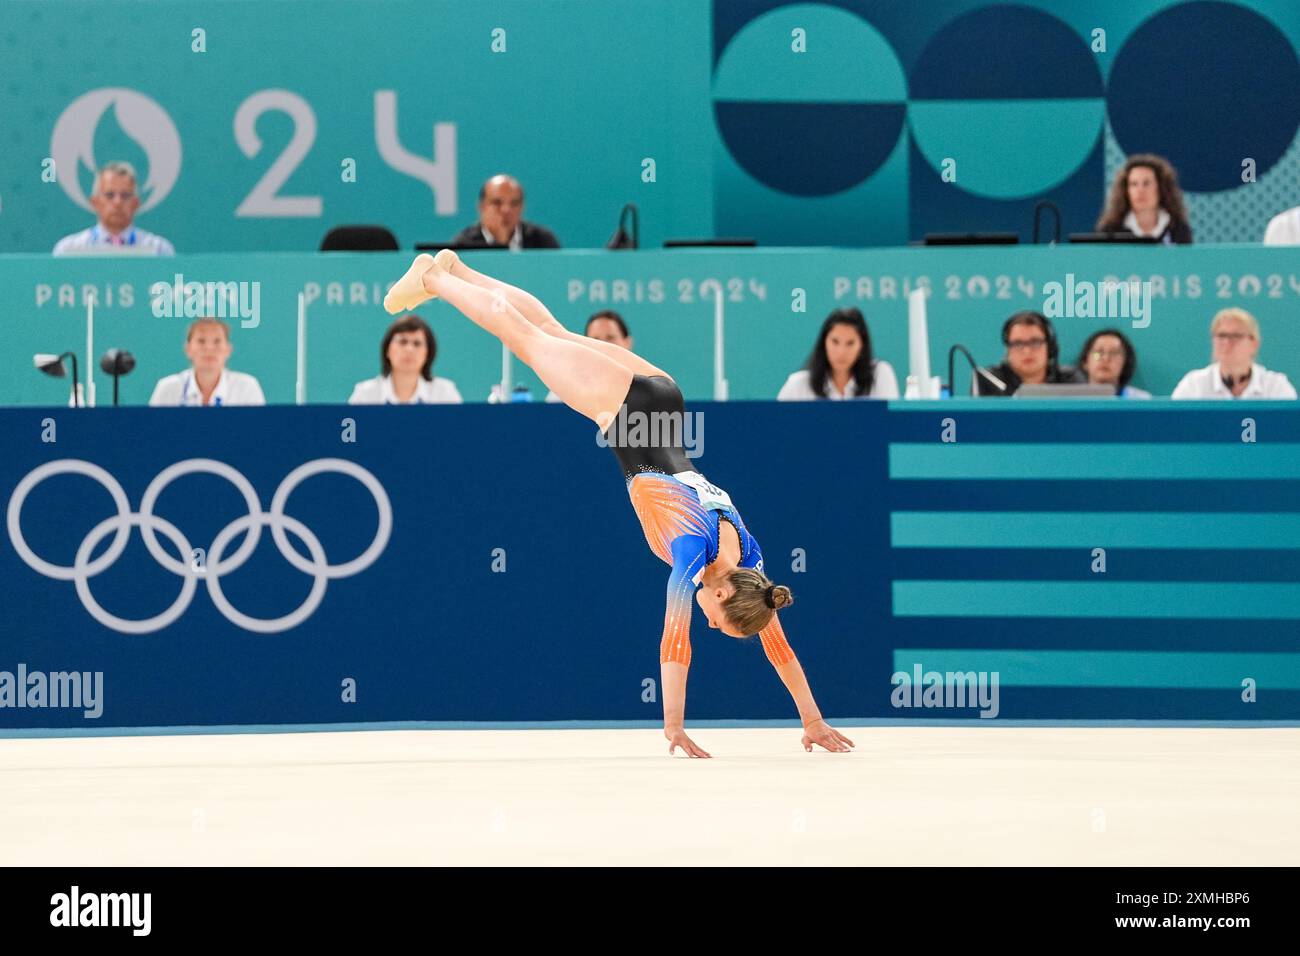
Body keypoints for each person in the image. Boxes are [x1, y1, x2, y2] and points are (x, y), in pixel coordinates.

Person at [384, 250, 854, 757]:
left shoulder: (751, 565)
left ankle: (459, 271)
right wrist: (673, 725)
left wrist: (813, 719)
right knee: (527, 338)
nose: (711, 626)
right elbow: (676, 645)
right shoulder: (692, 552)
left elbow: (775, 642)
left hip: (665, 399)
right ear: (720, 597)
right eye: (718, 623)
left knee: (549, 328)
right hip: (626, 413)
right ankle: (434, 278)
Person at [53, 161, 175, 256]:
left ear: (136, 203)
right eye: (110, 195)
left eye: (125, 195)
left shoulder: (159, 250)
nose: (117, 202)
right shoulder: (68, 250)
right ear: (95, 202)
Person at [1171, 308, 1296, 399]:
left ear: (1254, 343)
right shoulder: (1194, 385)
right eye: (1221, 335)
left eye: (1236, 336)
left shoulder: (1275, 386)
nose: (1226, 342)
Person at [777, 307, 899, 400]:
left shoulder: (880, 375)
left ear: (862, 345)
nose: (841, 352)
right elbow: (776, 427)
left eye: (850, 343)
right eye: (835, 342)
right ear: (824, 342)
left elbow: (892, 426)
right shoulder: (798, 385)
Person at [148, 318, 265, 406]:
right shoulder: (168, 388)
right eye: (201, 341)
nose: (209, 348)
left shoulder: (246, 387)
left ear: (228, 350)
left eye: (217, 341)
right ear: (187, 349)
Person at [349, 314, 463, 404]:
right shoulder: (364, 394)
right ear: (387, 350)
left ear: (428, 353)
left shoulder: (445, 393)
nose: (409, 349)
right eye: (402, 342)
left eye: (417, 343)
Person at [973, 311, 1085, 396]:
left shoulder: (1070, 380)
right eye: (1018, 344)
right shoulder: (990, 379)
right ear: (1008, 349)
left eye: (1035, 342)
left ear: (1050, 347)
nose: (1027, 351)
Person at [1095, 154, 1193, 244]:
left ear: (1161, 188)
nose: (1140, 190)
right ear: (1126, 190)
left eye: (1146, 183)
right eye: (1134, 184)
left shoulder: (1178, 229)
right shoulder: (1110, 230)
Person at [448, 174, 559, 250]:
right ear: (481, 206)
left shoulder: (542, 241)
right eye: (497, 203)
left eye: (514, 203)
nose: (506, 210)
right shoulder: (464, 244)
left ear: (522, 207)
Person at [1076, 328, 1150, 398]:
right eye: (1098, 352)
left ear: (1125, 363)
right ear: (1085, 362)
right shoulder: (1072, 399)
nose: (1106, 359)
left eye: (1114, 353)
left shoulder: (1140, 400)